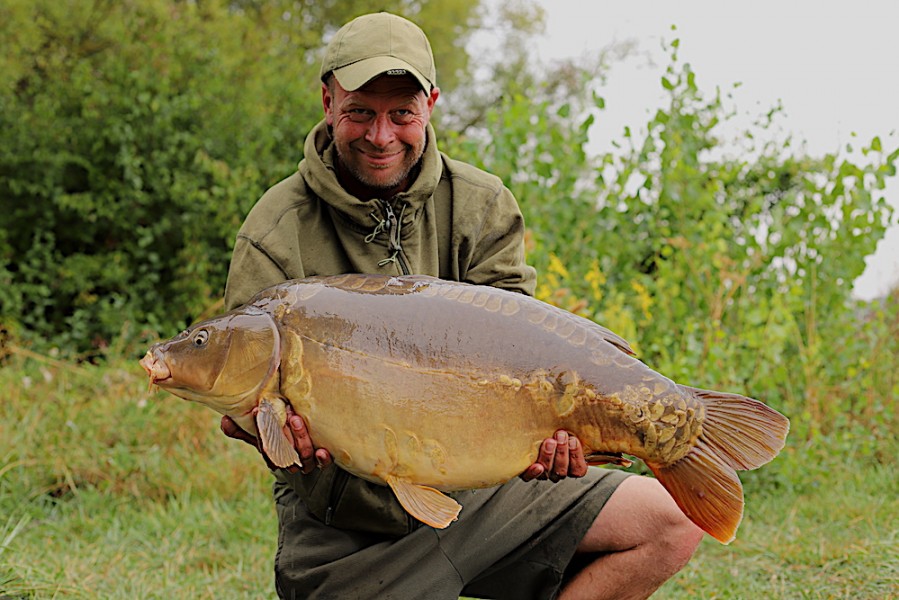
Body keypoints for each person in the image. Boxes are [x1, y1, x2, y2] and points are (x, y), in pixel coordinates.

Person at [220, 12, 703, 600]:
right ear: (327, 102)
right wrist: (269, 435)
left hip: (484, 492)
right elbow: (241, 401)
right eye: (360, 112)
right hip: (347, 526)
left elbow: (524, 351)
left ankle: (679, 428)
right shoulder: (276, 231)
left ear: (431, 104)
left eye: (402, 114)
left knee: (668, 522)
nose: (381, 136)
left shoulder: (480, 203)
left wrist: (553, 435)